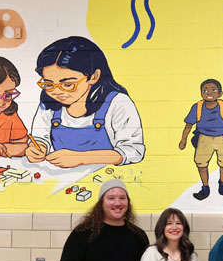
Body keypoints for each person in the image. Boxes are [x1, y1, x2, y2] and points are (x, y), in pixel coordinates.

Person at [28, 36, 145, 168]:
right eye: (48, 84)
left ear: (94, 76)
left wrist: (81, 158)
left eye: (67, 84)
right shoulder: (49, 102)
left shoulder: (117, 103)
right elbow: (40, 137)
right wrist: (38, 147)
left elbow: (134, 151)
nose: (56, 92)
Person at [178, 78, 223, 200]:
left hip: (222, 138)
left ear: (219, 93)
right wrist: (183, 139)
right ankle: (205, 187)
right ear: (201, 93)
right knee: (201, 163)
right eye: (205, 90)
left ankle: (222, 183)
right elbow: (188, 125)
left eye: (213, 90)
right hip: (204, 138)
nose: (209, 93)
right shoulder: (198, 107)